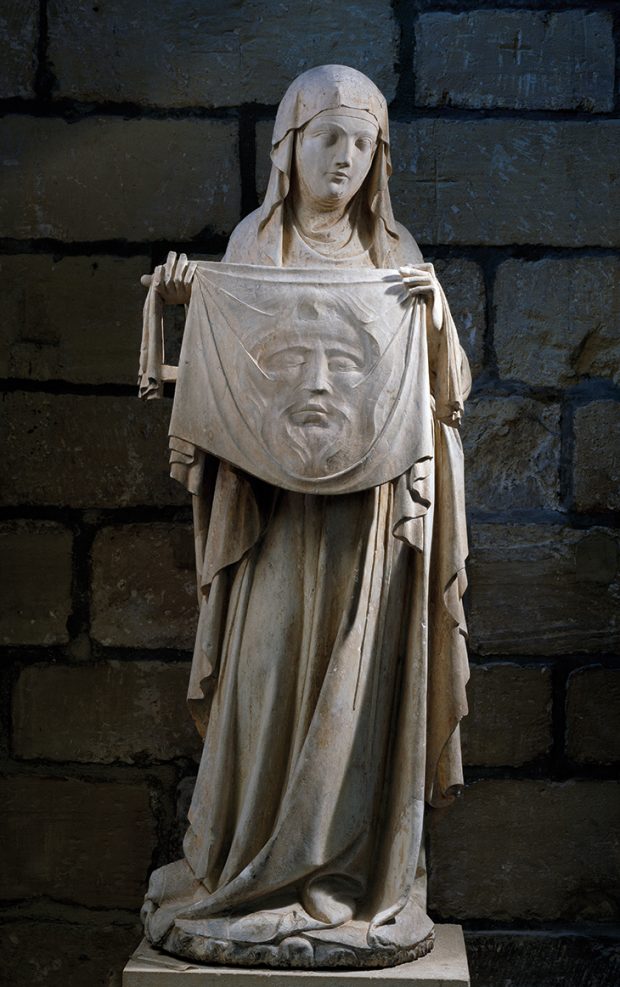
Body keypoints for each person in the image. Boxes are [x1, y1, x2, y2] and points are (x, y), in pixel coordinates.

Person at [139, 65, 470, 970]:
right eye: (331, 139)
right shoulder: (256, 249)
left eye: (364, 145)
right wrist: (183, 301)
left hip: (367, 534)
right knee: (268, 673)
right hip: (279, 521)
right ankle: (246, 861)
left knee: (359, 701)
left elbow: (448, 399)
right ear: (290, 149)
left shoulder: (394, 258)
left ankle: (347, 876)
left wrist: (432, 313)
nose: (348, 160)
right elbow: (225, 384)